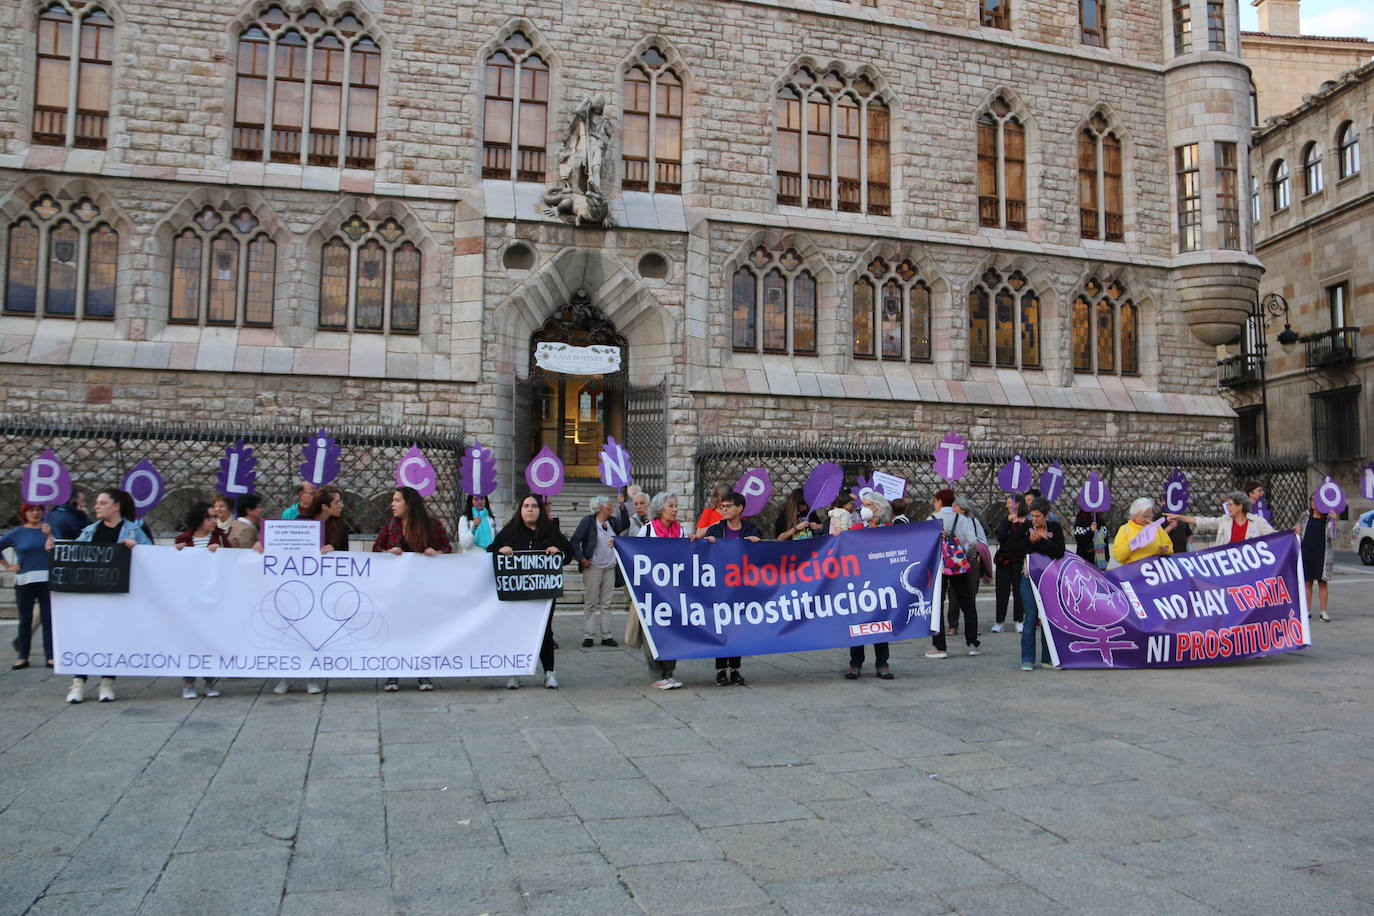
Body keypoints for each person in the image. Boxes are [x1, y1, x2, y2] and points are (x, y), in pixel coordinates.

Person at [52, 487, 152, 703]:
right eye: (97, 502)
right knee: (84, 636)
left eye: (102, 502)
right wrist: (53, 547)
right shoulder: (89, 530)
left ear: (116, 506)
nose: (97, 506)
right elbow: (72, 554)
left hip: (117, 595)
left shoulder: (134, 531)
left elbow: (153, 557)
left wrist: (138, 549)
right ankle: (78, 682)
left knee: (110, 637)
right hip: (90, 593)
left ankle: (107, 682)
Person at [372, 487, 451, 692]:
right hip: (396, 591)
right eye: (393, 500)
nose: (393, 504)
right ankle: (393, 673)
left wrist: (437, 552)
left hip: (423, 590)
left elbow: (448, 550)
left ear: (409, 504)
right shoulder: (390, 525)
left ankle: (422, 672)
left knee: (420, 629)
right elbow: (376, 550)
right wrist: (389, 553)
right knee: (395, 630)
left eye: (397, 500)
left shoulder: (432, 526)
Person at [490, 494, 572, 689]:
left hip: (544, 593)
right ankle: (515, 672)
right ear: (520, 509)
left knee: (545, 632)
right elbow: (491, 550)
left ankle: (549, 673)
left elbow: (568, 553)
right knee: (517, 631)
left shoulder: (550, 530)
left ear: (540, 510)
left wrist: (557, 550)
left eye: (534, 506)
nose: (529, 510)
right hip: (518, 593)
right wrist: (502, 550)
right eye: (526, 506)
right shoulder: (511, 530)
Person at [703, 491, 760, 685]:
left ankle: (735, 669)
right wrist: (707, 544)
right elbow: (703, 556)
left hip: (742, 587)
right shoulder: (716, 530)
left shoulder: (750, 529)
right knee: (721, 628)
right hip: (720, 587)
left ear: (740, 508)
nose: (724, 510)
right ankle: (720, 669)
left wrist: (755, 543)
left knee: (738, 629)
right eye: (722, 506)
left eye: (728, 506)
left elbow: (758, 557)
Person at [633, 492, 688, 689]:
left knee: (673, 630)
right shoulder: (648, 531)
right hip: (652, 591)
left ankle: (669, 672)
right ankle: (657, 673)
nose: (675, 509)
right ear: (660, 509)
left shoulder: (680, 531)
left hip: (673, 590)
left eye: (676, 506)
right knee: (652, 632)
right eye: (671, 506)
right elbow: (635, 554)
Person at [173, 502, 227, 698]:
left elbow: (230, 562)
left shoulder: (220, 537)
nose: (214, 521)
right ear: (198, 519)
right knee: (189, 640)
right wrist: (177, 552)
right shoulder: (183, 539)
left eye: (215, 517)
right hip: (190, 597)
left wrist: (221, 553)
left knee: (210, 639)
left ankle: (210, 681)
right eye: (209, 517)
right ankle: (188, 682)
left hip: (212, 597)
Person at [1005, 499, 1065, 671]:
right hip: (1028, 576)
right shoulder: (1026, 528)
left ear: (1046, 515)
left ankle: (1048, 657)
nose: (1035, 519)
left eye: (1039, 516)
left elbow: (1058, 551)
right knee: (1031, 616)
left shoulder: (1054, 528)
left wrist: (1041, 541)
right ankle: (1027, 658)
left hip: (1048, 578)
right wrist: (1030, 542)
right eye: (1033, 515)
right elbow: (1013, 548)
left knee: (1048, 617)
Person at [926, 488, 984, 660]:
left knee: (937, 605)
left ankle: (940, 646)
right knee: (967, 603)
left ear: (939, 501)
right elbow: (973, 541)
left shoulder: (932, 519)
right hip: (959, 566)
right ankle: (972, 644)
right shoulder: (963, 519)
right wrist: (964, 555)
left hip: (939, 567)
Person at [845, 492, 894, 680]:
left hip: (883, 583)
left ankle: (882, 664)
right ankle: (855, 664)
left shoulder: (890, 528)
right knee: (858, 624)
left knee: (881, 624)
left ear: (878, 508)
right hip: (860, 584)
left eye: (867, 504)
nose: (862, 508)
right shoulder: (856, 528)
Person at [2, 503, 52, 669]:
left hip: (46, 579)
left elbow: (59, 548)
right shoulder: (18, 533)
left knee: (48, 619)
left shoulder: (48, 530)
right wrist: (9, 566)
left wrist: (50, 535)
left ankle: (50, 655)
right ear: (25, 513)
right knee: (25, 620)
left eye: (38, 510)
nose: (35, 513)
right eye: (31, 510)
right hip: (25, 580)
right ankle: (23, 655)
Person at [571, 495, 622, 649]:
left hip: (610, 566)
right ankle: (589, 635)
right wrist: (581, 558)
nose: (611, 507)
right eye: (609, 505)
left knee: (607, 602)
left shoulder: (612, 522)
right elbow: (574, 540)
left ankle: (607, 635)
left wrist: (623, 506)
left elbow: (623, 528)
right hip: (593, 566)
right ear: (600, 507)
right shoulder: (588, 521)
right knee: (591, 602)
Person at [1167, 491, 1275, 547]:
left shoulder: (1257, 522)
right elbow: (1204, 522)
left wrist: (1291, 532)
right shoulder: (1225, 520)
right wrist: (1180, 517)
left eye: (1230, 505)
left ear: (1240, 506)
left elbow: (1275, 536)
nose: (1227, 507)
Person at [1295, 497, 1338, 622]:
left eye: (1316, 500)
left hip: (1322, 553)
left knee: (1322, 582)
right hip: (1306, 552)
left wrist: (1334, 521)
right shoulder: (1305, 515)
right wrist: (1296, 530)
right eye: (1312, 500)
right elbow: (1297, 528)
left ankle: (1323, 612)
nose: (1313, 502)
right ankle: (1306, 611)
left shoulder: (1328, 518)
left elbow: (1334, 535)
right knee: (1307, 583)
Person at [993, 495, 1029, 634]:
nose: (1007, 506)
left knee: (1019, 592)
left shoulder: (1027, 523)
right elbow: (1001, 537)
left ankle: (1019, 620)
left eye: (1010, 503)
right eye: (1007, 503)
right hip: (1004, 561)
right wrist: (1008, 523)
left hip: (1019, 561)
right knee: (1002, 591)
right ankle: (999, 621)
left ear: (1018, 504)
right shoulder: (1004, 521)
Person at [1112, 497, 1174, 565]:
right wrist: (1133, 544)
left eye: (1150, 516)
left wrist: (1165, 550)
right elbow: (1118, 556)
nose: (1147, 520)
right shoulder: (1125, 529)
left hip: (1155, 571)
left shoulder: (1156, 527)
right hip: (1134, 573)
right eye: (1144, 517)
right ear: (1134, 515)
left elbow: (1170, 547)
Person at [303, 485, 348, 552]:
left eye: (341, 502)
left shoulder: (340, 525)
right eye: (337, 502)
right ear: (324, 506)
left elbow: (344, 552)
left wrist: (334, 551)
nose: (341, 505)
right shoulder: (302, 521)